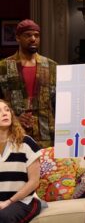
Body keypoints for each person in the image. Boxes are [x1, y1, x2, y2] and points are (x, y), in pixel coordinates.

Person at [0, 99, 41, 223]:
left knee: (4, 216)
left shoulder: (26, 143)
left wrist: (9, 201)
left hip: (25, 201)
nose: (5, 113)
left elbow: (34, 182)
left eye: (6, 109)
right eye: (0, 111)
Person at [0, 19, 56, 148]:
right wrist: (13, 117)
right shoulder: (4, 67)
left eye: (36, 35)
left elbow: (60, 102)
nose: (33, 39)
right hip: (14, 134)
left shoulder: (52, 66)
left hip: (47, 135)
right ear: (18, 38)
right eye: (28, 35)